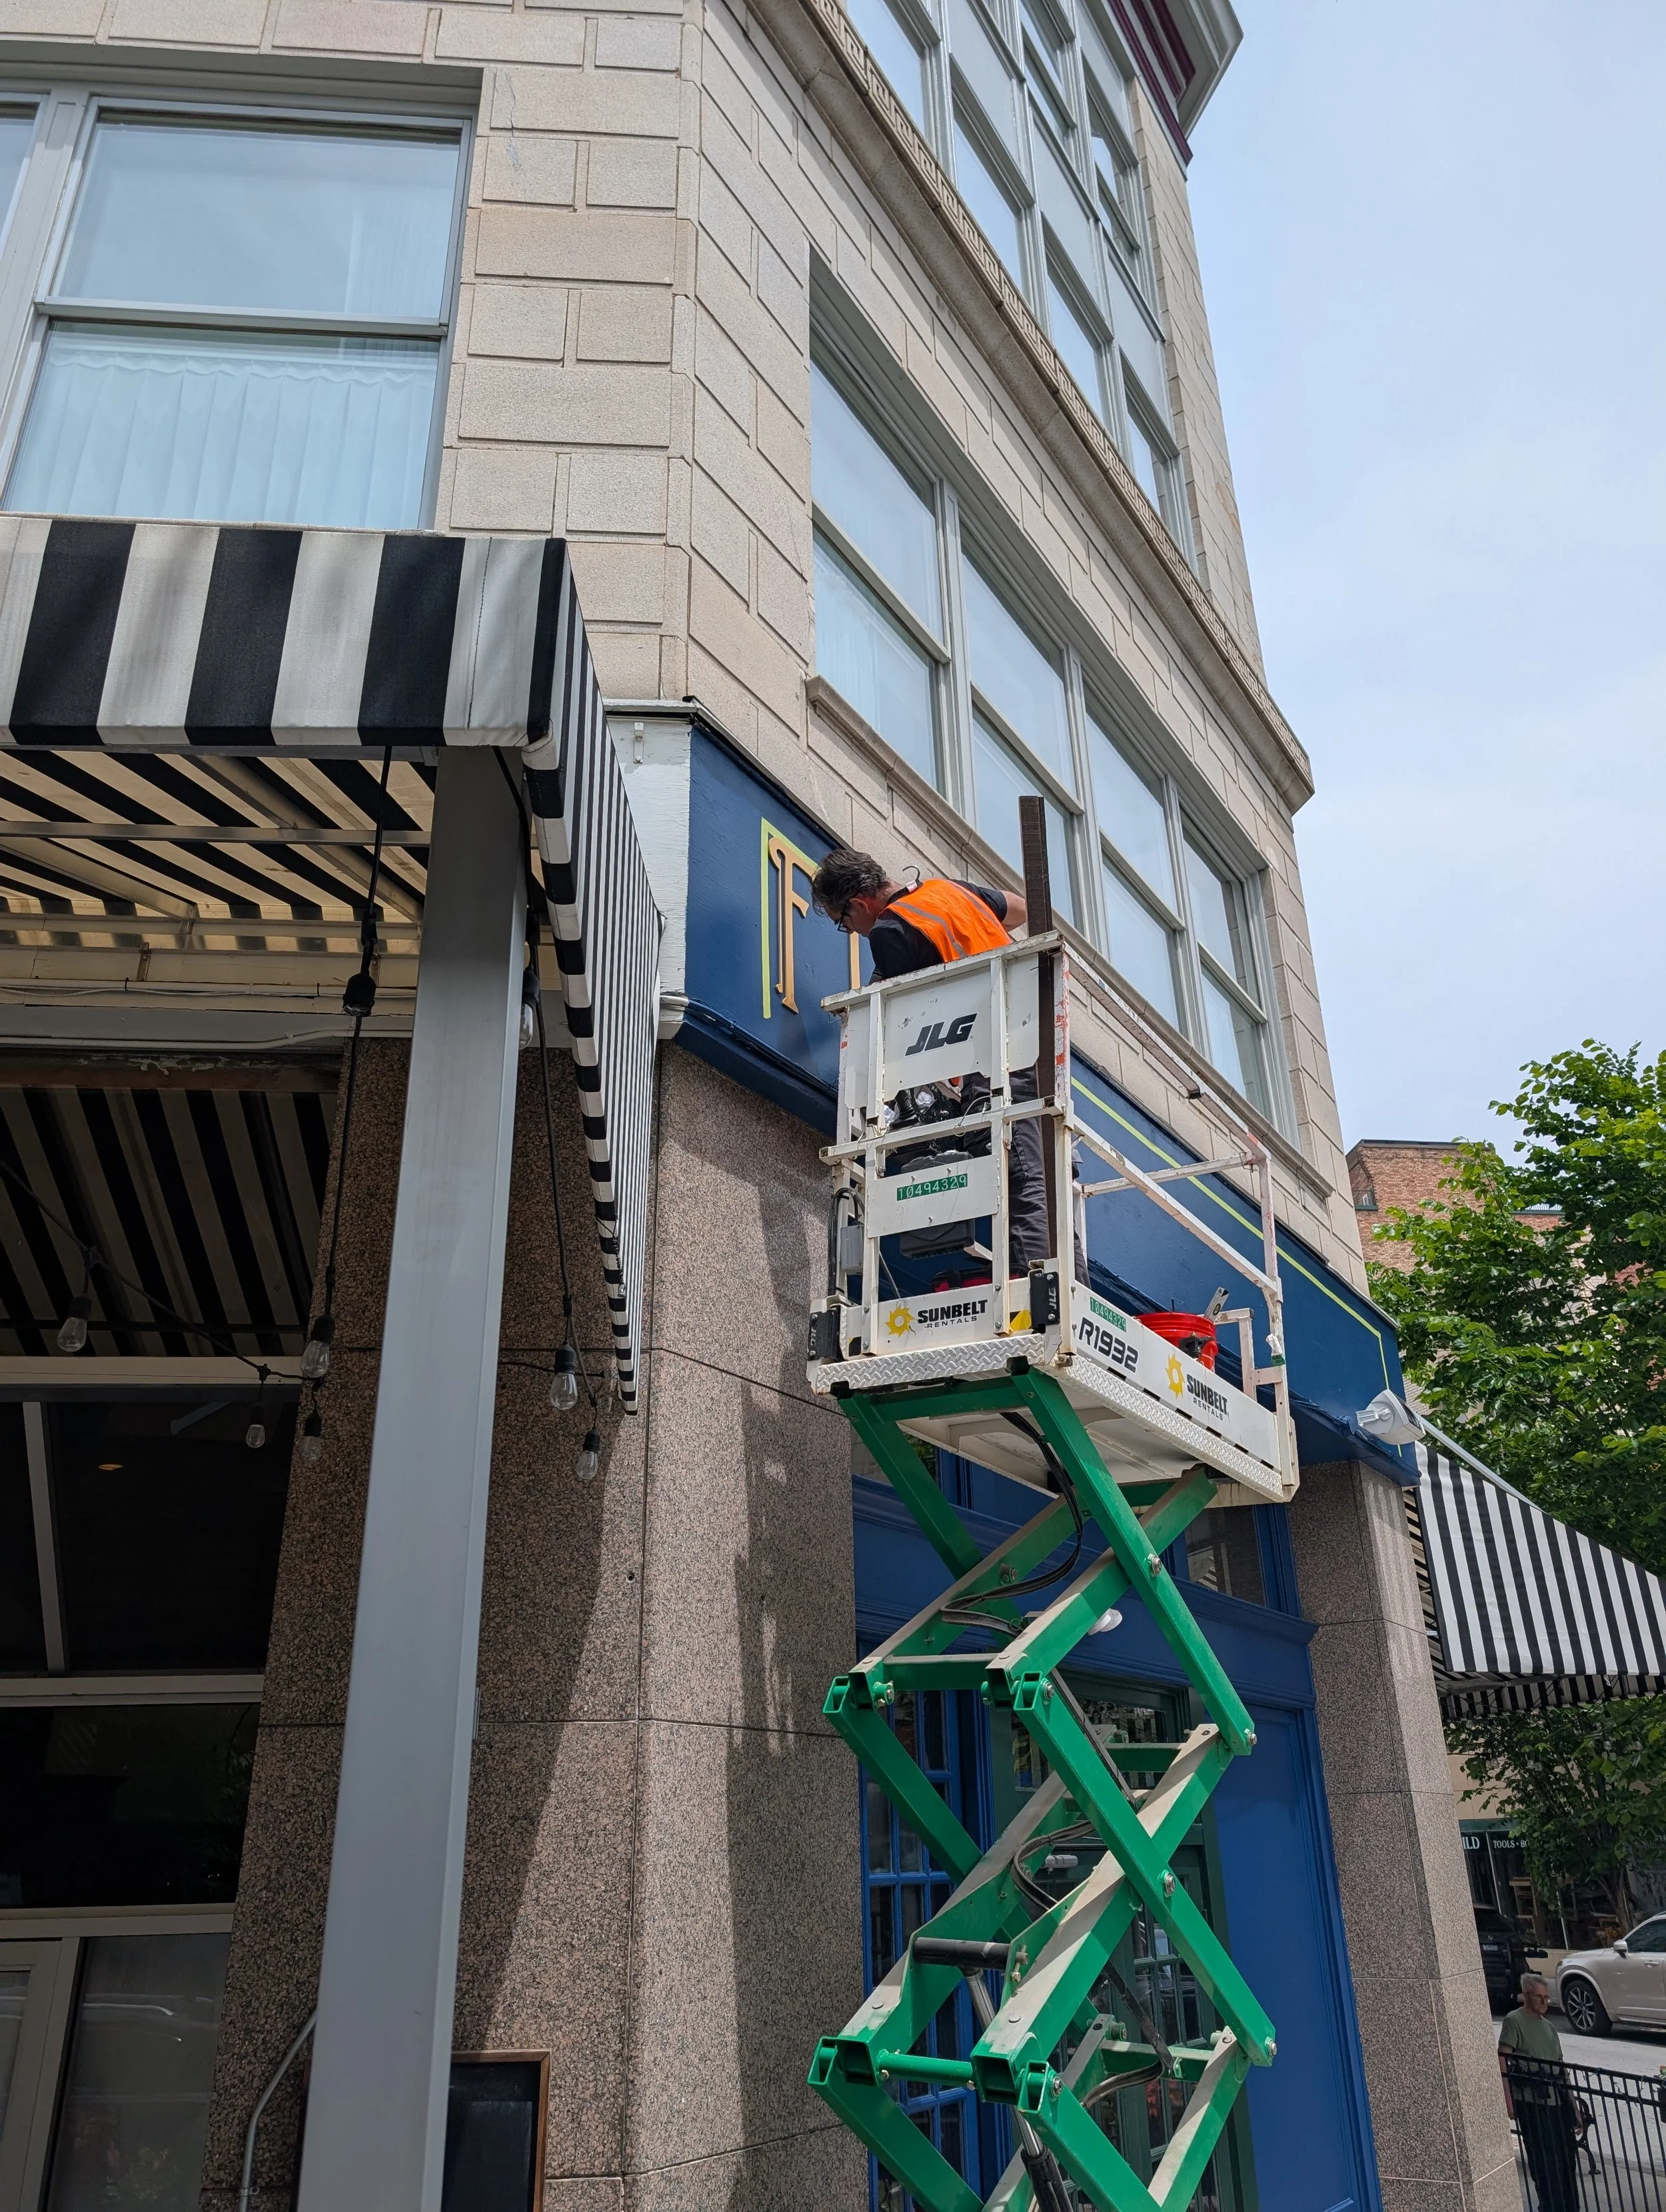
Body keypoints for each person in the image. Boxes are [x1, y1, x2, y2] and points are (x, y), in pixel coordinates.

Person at [808, 847, 1056, 1274]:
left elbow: (911, 1022)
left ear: (856, 903)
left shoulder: (891, 928)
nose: (850, 932)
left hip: (993, 1056)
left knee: (1018, 1175)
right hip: (1038, 1043)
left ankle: (1035, 1289)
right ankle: (1065, 1284)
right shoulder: (947, 891)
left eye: (842, 923)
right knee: (1046, 1177)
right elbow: (1017, 909)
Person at [1499, 1973, 1577, 2212]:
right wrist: (1509, 2102)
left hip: (1556, 2099)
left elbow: (1562, 2069)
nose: (1545, 2003)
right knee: (1544, 2160)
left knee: (1566, 2159)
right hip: (1532, 2100)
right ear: (1527, 1996)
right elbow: (1503, 2059)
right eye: (1539, 1997)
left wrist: (1575, 2109)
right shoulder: (1514, 2021)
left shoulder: (1550, 2027)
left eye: (1547, 1998)